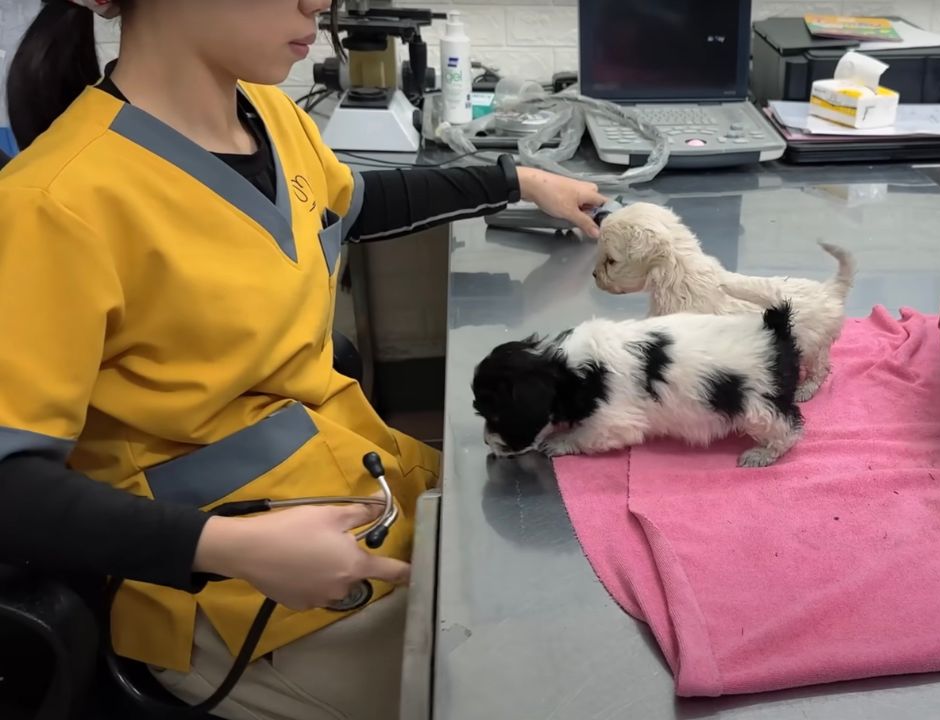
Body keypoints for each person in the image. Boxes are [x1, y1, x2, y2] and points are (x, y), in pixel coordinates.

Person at [0, 1, 608, 718]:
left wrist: (516, 182)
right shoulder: (55, 204)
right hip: (241, 594)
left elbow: (347, 202)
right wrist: (229, 547)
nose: (318, 3)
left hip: (356, 483)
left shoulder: (270, 115)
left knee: (593, 573)